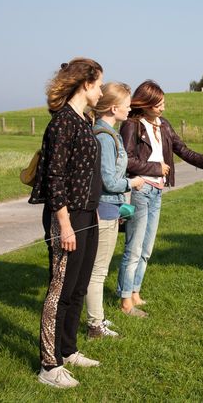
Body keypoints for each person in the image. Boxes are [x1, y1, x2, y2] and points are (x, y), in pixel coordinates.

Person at [118, 80, 203, 317]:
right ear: (145, 103)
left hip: (157, 192)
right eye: (158, 104)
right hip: (141, 190)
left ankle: (136, 292)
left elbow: (184, 151)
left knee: (147, 248)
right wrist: (155, 168)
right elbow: (126, 160)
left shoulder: (164, 125)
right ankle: (125, 300)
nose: (162, 108)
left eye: (163, 103)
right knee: (134, 247)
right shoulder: (131, 125)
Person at [28, 57, 104, 388]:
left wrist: (93, 212)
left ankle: (69, 349)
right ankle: (49, 364)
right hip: (68, 217)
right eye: (99, 84)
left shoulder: (83, 121)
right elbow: (54, 177)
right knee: (59, 291)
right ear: (86, 83)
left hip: (88, 214)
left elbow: (85, 173)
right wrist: (65, 223)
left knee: (78, 287)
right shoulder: (61, 124)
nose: (102, 90)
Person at [85, 82, 144, 338]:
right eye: (127, 103)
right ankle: (95, 325)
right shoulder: (104, 137)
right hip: (104, 208)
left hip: (111, 208)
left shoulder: (109, 133)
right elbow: (108, 180)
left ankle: (97, 319)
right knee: (98, 272)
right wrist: (133, 182)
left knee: (98, 269)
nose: (130, 107)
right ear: (113, 107)